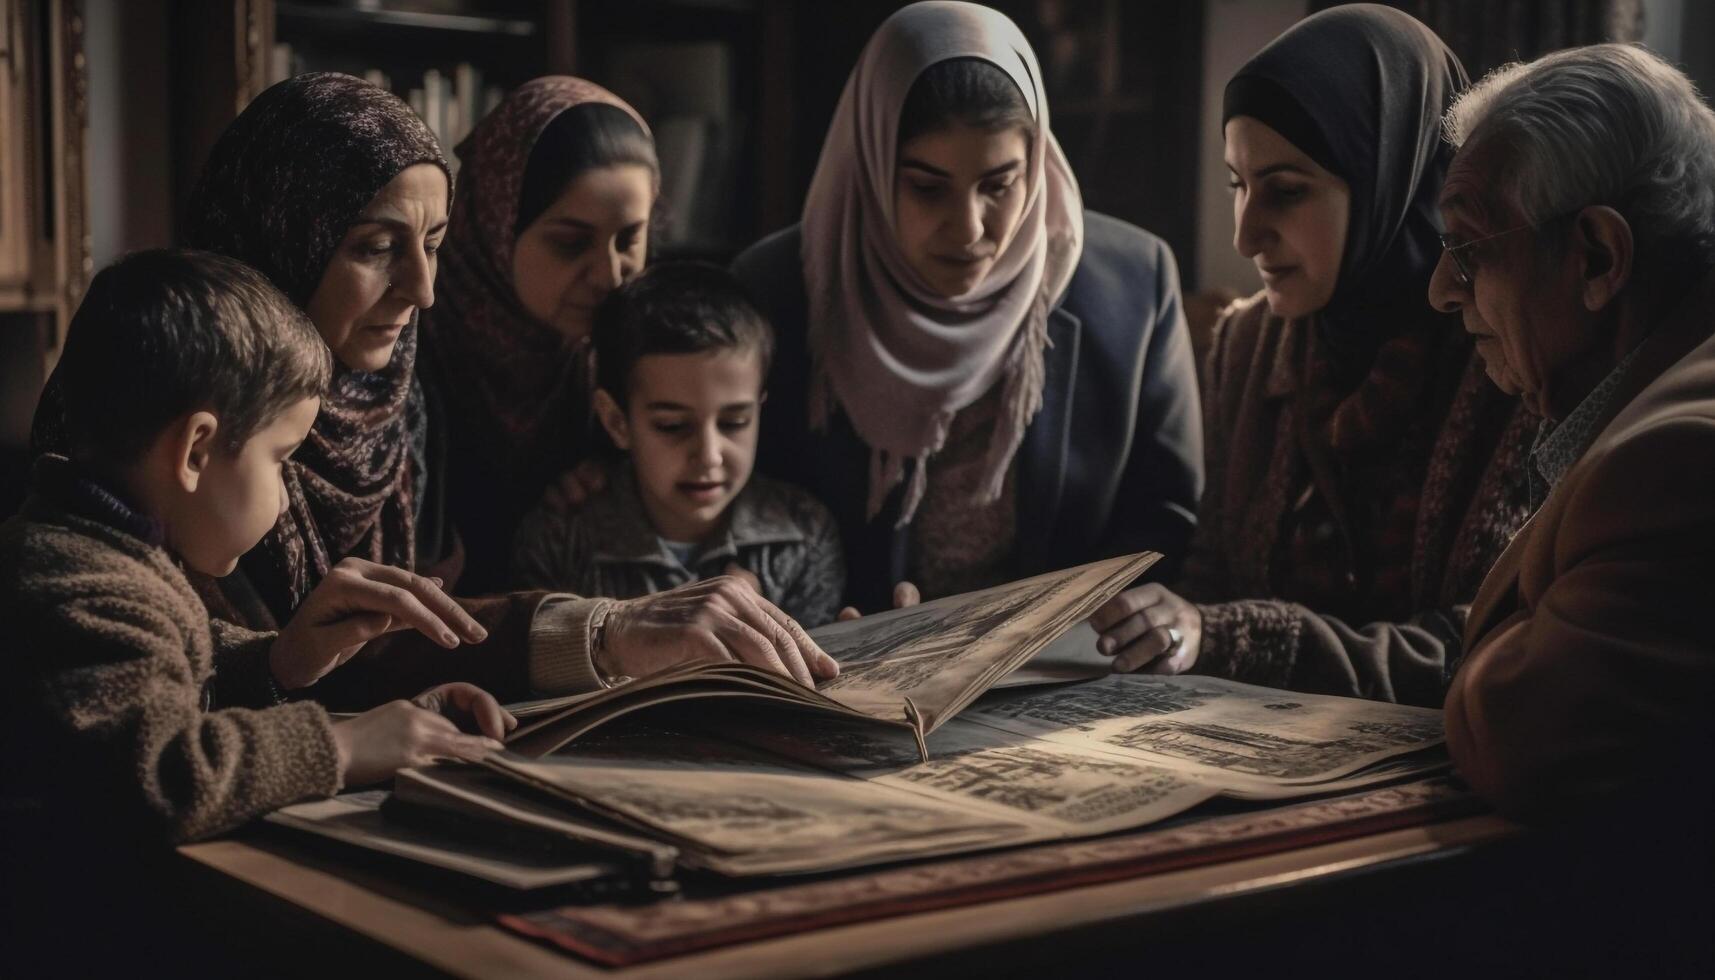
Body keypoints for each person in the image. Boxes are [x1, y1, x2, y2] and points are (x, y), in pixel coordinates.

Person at [160, 72, 831, 703]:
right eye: (373, 248)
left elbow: (398, 646)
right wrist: (598, 631)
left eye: (434, 243)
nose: (423, 290)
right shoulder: (175, 409)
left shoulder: (399, 397)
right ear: (285, 234)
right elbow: (199, 678)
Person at [1, 252, 516, 966]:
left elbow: (169, 674)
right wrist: (345, 746)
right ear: (196, 449)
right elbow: (160, 778)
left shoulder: (101, 549)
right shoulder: (75, 586)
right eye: (281, 458)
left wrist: (278, 661)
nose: (282, 495)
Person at [1088, 4, 1534, 708]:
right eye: (1237, 184)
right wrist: (1160, 631)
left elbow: (1482, 644)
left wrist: (1227, 637)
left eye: (1285, 191)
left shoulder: (1504, 355)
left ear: (1389, 178)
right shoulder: (1246, 343)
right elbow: (1213, 578)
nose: (1245, 235)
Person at [732, 1, 1202, 614]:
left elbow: (1167, 519)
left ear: (1035, 165)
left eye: (1000, 184)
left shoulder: (1133, 285)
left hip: (1064, 676)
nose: (968, 229)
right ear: (871, 163)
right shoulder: (777, 291)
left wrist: (1129, 626)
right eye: (927, 187)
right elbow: (729, 512)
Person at [1428, 43, 1715, 820]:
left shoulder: (1675, 456)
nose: (1439, 292)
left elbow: (1521, 737)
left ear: (1595, 255)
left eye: (1467, 249)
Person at [422, 77, 661, 592]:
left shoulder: (634, 351)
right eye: (571, 244)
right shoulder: (409, 355)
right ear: (495, 222)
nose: (611, 275)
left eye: (629, 239)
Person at [514, 263, 845, 629]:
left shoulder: (803, 537)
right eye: (672, 426)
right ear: (617, 422)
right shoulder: (561, 541)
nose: (708, 455)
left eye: (734, 422)